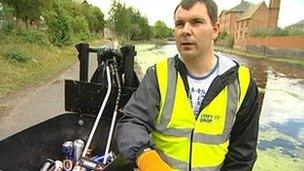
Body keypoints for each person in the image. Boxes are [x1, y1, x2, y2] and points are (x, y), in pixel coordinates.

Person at [115, 0, 260, 170]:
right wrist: (147, 159)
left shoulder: (241, 81)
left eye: (196, 22)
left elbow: (242, 155)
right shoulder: (158, 75)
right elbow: (131, 122)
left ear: (215, 29)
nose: (186, 30)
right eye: (180, 24)